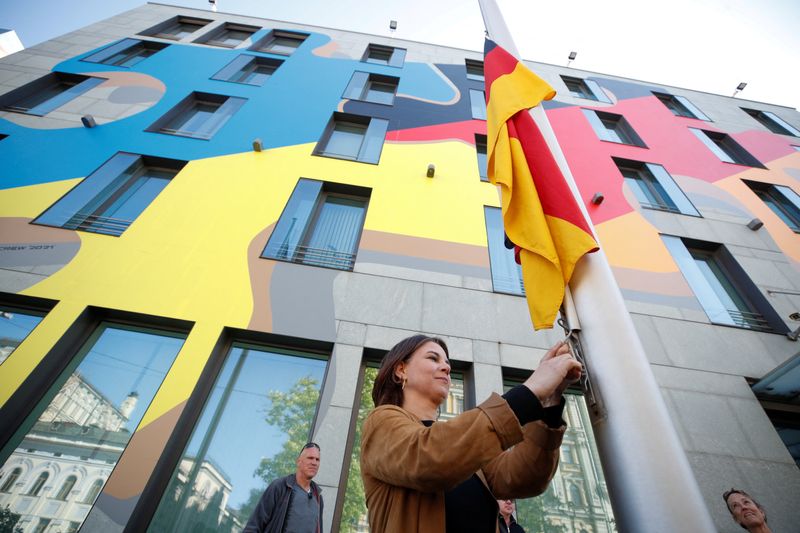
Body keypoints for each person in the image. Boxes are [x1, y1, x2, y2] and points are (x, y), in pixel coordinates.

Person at [360, 334, 581, 533]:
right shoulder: (380, 421)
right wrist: (529, 391)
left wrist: (549, 401)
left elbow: (524, 478)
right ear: (401, 370)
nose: (446, 367)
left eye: (447, 362)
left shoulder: (466, 441)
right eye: (433, 358)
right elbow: (430, 457)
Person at [243, 442, 324, 533]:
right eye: (310, 458)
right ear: (298, 461)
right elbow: (254, 526)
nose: (314, 463)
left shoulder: (318, 498)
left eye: (317, 459)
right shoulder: (280, 486)